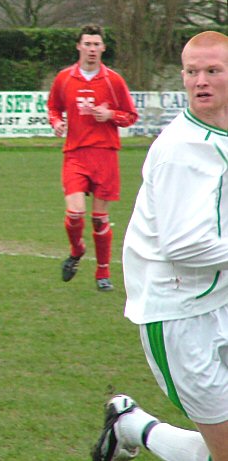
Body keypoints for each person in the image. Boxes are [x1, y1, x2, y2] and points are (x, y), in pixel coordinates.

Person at [92, 31, 228, 461]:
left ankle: (129, 424)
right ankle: (134, 427)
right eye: (191, 72)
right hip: (181, 318)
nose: (199, 80)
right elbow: (184, 247)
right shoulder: (180, 150)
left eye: (212, 71)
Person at [47, 24, 139, 291]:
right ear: (79, 46)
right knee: (75, 214)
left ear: (103, 48)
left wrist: (110, 115)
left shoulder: (113, 81)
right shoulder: (64, 78)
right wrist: (57, 123)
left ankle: (103, 273)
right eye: (87, 44)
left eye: (96, 44)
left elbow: (131, 116)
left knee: (99, 219)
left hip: (105, 156)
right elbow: (53, 107)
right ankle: (77, 250)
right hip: (75, 154)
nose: (91, 49)